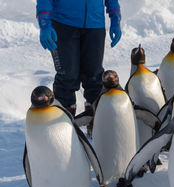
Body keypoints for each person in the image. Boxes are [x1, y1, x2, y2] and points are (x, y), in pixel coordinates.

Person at [36, 0, 122, 136]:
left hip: (95, 25)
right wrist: (44, 23)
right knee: (67, 77)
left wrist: (115, 18)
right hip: (63, 24)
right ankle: (62, 126)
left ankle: (96, 123)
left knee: (94, 76)